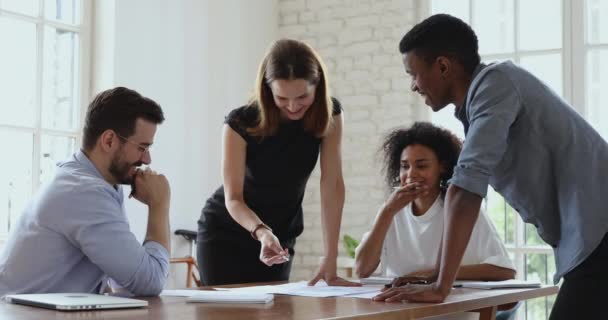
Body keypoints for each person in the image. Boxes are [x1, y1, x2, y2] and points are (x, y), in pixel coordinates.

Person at [373, 13, 608, 319]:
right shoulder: (481, 102)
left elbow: (465, 185)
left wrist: (441, 285)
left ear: (443, 66)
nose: (413, 86)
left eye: (413, 74)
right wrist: (437, 276)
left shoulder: (496, 85)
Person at [197, 39, 357, 287]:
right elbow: (234, 199)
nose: (293, 106)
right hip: (226, 234)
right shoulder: (240, 122)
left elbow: (332, 184)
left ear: (318, 87)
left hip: (280, 237)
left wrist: (330, 257)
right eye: (282, 97)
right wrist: (262, 232)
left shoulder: (330, 114)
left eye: (302, 96)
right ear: (267, 89)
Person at [0, 87, 171, 297]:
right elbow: (149, 281)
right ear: (108, 140)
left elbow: (124, 278)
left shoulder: (90, 180)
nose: (147, 160)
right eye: (142, 148)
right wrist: (159, 205)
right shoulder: (84, 192)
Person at [356, 123, 516, 320]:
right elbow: (362, 269)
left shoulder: (462, 210)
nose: (411, 174)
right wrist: (387, 211)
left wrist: (433, 274)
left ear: (442, 167)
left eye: (421, 166)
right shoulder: (392, 212)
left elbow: (504, 271)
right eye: (405, 166)